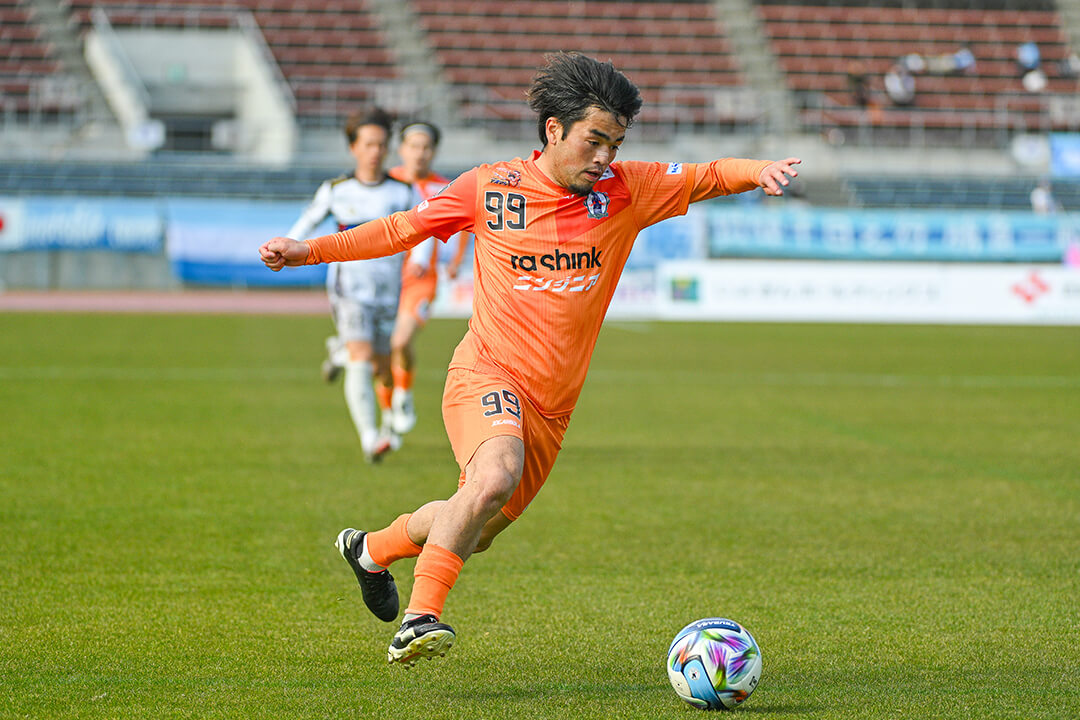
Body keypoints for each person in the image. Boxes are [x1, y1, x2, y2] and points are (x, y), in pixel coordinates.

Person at [260, 52, 800, 667]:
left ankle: (370, 550)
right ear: (554, 129)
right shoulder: (490, 188)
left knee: (474, 528)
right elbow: (402, 228)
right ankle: (420, 618)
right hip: (486, 371)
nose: (605, 157)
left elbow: (710, 175)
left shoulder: (627, 191)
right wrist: (309, 251)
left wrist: (760, 170)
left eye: (616, 144)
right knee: (492, 478)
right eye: (595, 141)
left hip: (553, 406)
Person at [285, 107, 428, 463]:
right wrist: (285, 247)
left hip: (388, 291)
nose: (375, 151)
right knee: (362, 357)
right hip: (349, 290)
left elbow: (423, 228)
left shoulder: (403, 191)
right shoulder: (336, 190)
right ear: (353, 147)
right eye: (368, 144)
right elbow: (305, 223)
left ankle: (339, 351)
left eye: (381, 144)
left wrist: (422, 258)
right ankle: (369, 437)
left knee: (382, 365)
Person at [385, 121, 471, 435]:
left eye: (425, 147)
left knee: (400, 341)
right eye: (413, 146)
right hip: (383, 278)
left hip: (421, 280)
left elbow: (464, 225)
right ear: (401, 149)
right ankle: (385, 418)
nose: (419, 153)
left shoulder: (444, 187)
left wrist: (456, 261)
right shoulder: (386, 182)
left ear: (433, 151)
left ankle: (403, 395)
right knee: (377, 351)